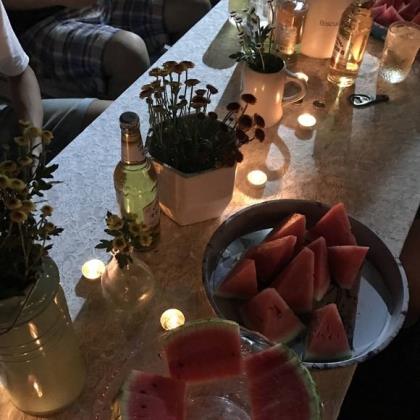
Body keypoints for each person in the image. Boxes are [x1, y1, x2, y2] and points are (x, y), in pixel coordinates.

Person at [5, 0, 211, 99]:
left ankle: (196, 100)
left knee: (194, 6)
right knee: (128, 52)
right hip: (40, 25)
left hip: (101, 4)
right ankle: (128, 145)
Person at [0, 0, 110, 162]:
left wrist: (33, 147)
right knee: (126, 50)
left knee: (113, 118)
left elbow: (20, 73)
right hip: (38, 26)